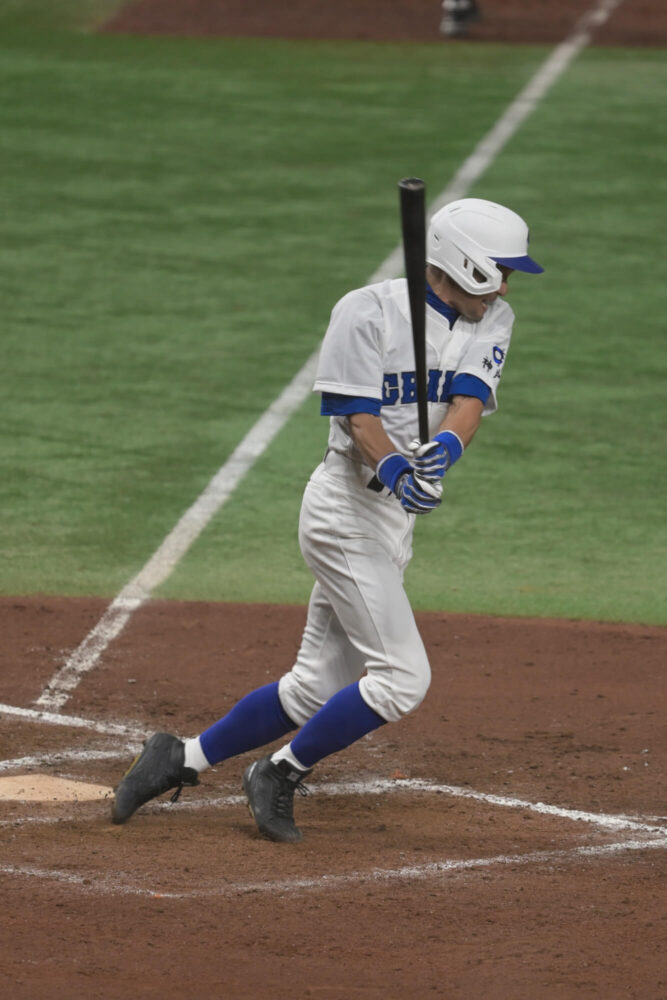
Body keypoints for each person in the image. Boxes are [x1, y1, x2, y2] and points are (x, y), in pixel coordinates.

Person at [111, 197, 544, 842]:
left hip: (391, 523)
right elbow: (357, 417)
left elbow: (468, 402)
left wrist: (443, 452)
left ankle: (180, 757)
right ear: (469, 266)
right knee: (402, 680)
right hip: (344, 512)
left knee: (315, 687)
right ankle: (279, 773)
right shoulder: (365, 312)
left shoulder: (492, 318)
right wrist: (398, 469)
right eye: (501, 271)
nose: (508, 286)